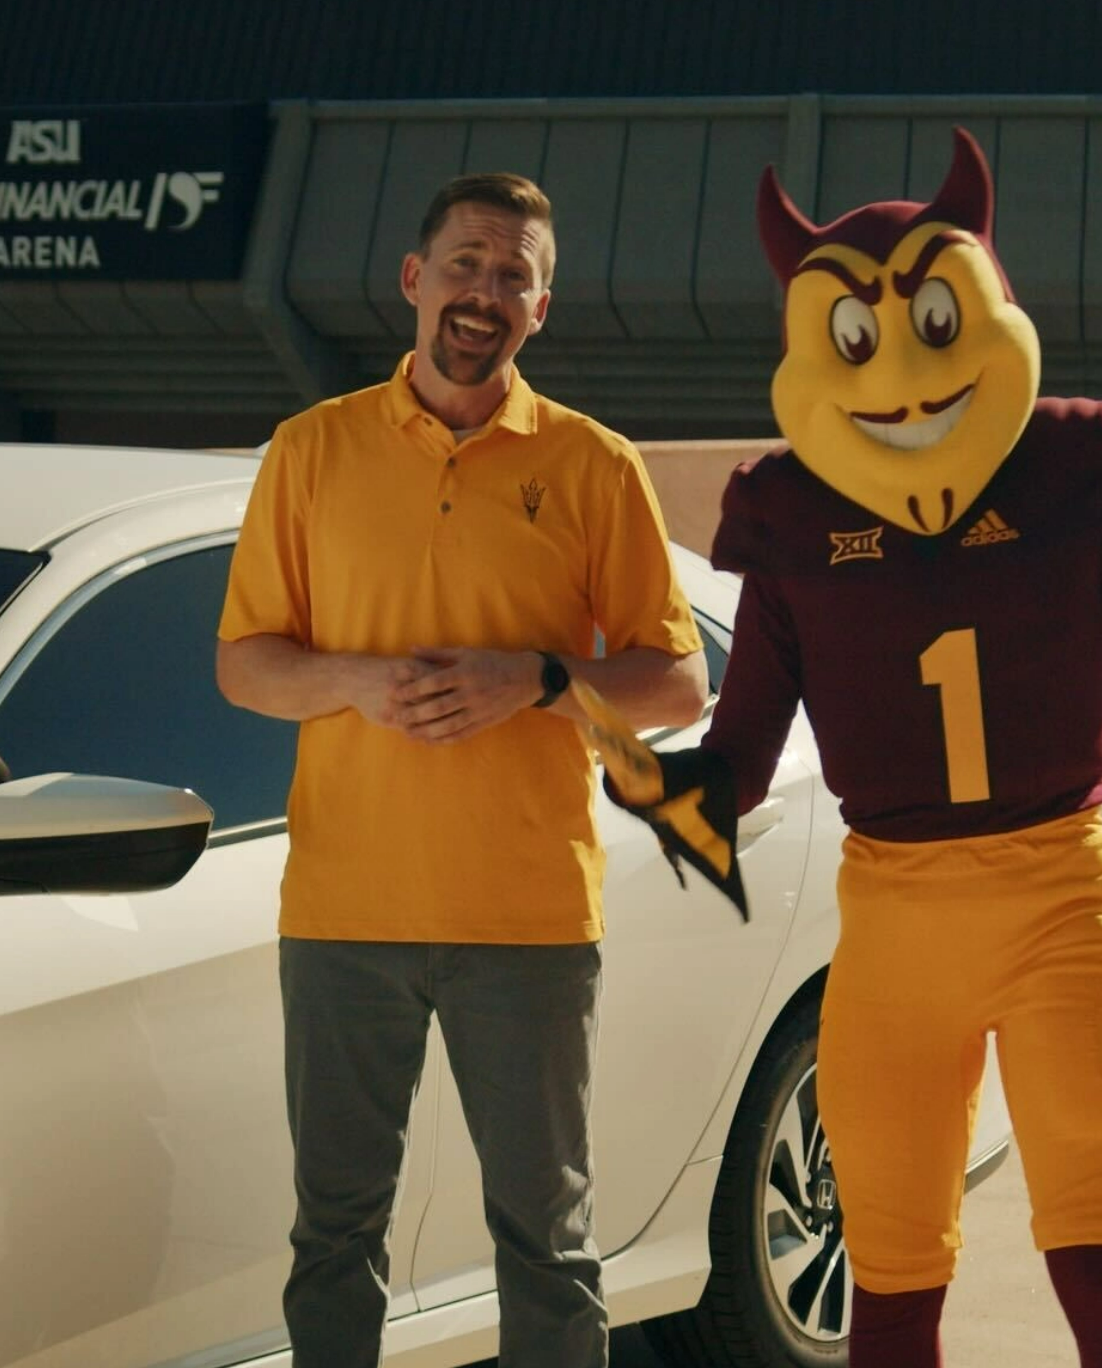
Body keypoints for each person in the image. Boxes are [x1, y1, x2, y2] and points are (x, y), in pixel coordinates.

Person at [595, 129, 1102, 1368]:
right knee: (892, 1281)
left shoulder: (1063, 463)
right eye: (860, 338)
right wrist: (675, 786)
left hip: (1056, 898)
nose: (904, 375)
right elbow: (750, 742)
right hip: (890, 921)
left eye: (933, 319)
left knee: (1100, 1257)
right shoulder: (794, 510)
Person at [214, 171, 713, 1368]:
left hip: (529, 918)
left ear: (543, 307)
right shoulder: (311, 450)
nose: (483, 292)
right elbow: (244, 664)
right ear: (413, 280)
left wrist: (537, 678)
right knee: (335, 1236)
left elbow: (679, 686)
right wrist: (345, 679)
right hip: (343, 912)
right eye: (465, 264)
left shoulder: (596, 469)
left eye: (511, 275)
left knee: (546, 1239)